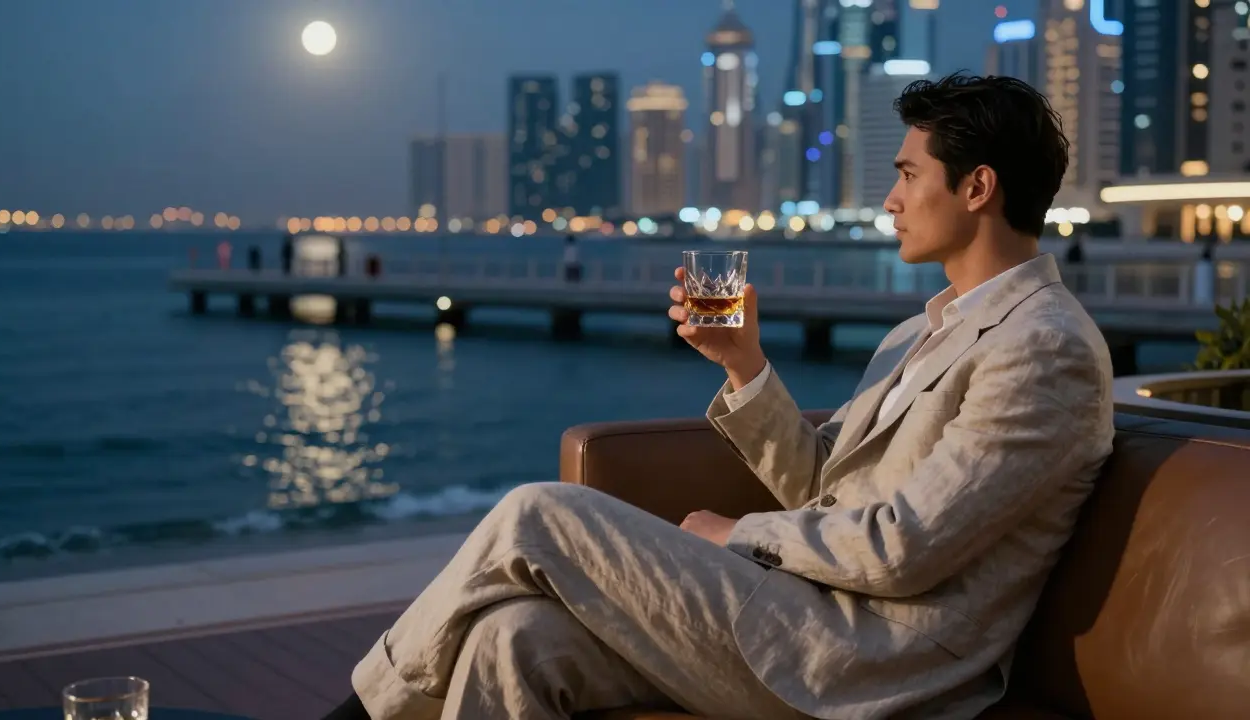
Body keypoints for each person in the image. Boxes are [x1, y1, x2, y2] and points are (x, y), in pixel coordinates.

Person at [324, 73, 1115, 720]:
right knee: (513, 636)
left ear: (977, 187)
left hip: (881, 664)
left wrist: (739, 533)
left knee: (539, 513)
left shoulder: (1044, 348)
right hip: (804, 613)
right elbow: (823, 487)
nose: (891, 199)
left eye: (908, 174)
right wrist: (745, 366)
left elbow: (905, 550)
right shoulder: (917, 333)